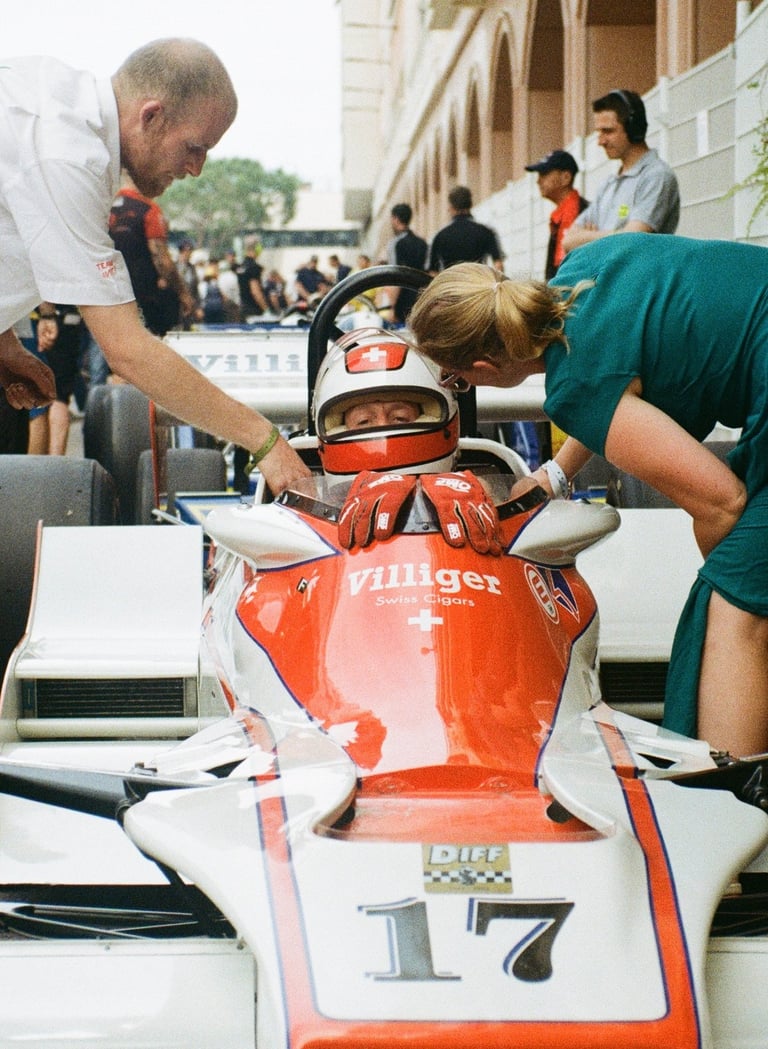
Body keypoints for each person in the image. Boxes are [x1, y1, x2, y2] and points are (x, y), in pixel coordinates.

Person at [406, 237, 768, 758]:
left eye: (453, 376)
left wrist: (729, 574)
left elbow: (722, 502)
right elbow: (614, 387)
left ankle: (732, 805)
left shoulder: (575, 387)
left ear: (482, 369)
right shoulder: (582, 270)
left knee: (732, 608)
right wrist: (554, 474)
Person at [0, 38, 309, 494]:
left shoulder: (45, 98)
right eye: (194, 147)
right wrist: (266, 442)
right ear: (151, 116)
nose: (197, 168)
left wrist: (6, 343)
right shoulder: (68, 153)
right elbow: (126, 350)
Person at [313, 327, 502, 555]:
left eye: (400, 417)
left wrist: (488, 491)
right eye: (364, 421)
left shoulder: (480, 493)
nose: (383, 428)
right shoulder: (308, 510)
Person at [562, 89, 680, 254]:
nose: (600, 141)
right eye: (599, 132)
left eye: (608, 131)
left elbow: (631, 240)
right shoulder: (609, 184)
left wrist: (589, 236)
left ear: (633, 128)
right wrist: (616, 234)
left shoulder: (656, 176)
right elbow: (568, 241)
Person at [109, 175, 193, 337]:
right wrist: (183, 293)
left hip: (106, 296)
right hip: (142, 298)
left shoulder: (104, 209)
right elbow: (161, 259)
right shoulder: (149, 210)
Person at [28, 304, 88, 455]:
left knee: (38, 401)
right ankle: (54, 466)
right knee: (57, 398)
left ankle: (45, 468)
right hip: (67, 318)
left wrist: (47, 314)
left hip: (39, 318)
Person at [524, 150, 589, 279]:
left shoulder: (575, 212)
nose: (538, 181)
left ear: (566, 177)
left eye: (544, 174)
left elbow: (565, 267)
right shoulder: (564, 212)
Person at [427, 186, 504, 274]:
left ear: (451, 207)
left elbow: (433, 272)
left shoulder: (440, 236)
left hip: (451, 285)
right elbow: (498, 265)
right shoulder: (486, 232)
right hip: (478, 283)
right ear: (470, 204)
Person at [386, 203, 428, 324]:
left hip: (402, 304)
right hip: (421, 300)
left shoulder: (396, 244)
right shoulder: (422, 243)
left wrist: (392, 308)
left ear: (395, 219)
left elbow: (395, 276)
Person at [236, 236, 269, 321]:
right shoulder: (254, 267)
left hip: (243, 309)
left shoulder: (241, 266)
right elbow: (255, 291)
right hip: (255, 311)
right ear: (257, 248)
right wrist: (266, 309)